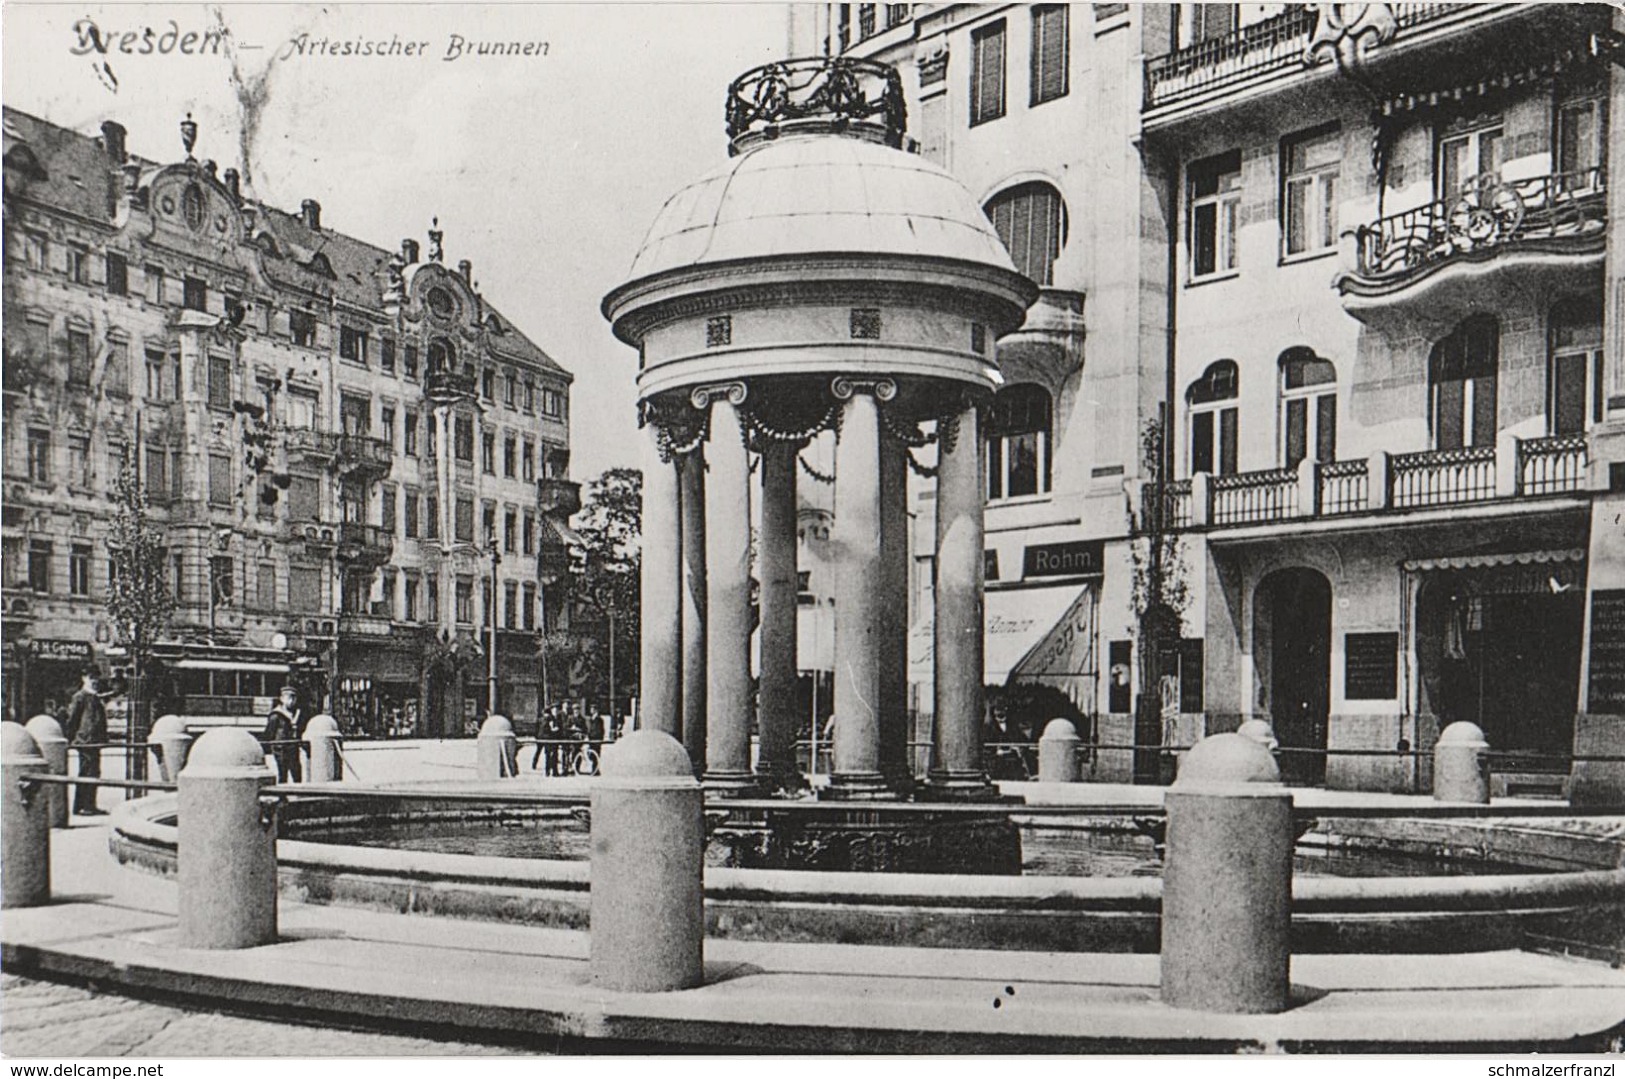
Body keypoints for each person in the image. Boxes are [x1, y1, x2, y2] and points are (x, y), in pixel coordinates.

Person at [66, 669, 107, 815]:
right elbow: (72, 719)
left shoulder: (95, 697)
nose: (95, 681)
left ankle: (90, 804)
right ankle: (81, 806)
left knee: (94, 772)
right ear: (84, 678)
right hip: (85, 740)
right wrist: (70, 738)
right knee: (86, 772)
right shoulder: (80, 697)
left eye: (96, 678)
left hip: (95, 740)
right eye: (91, 677)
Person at [263, 685, 305, 783]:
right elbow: (269, 732)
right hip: (280, 749)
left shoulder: (297, 714)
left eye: (293, 698)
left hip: (293, 748)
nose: (291, 701)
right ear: (282, 699)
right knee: (283, 774)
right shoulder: (276, 715)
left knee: (297, 773)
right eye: (288, 697)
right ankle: (282, 796)